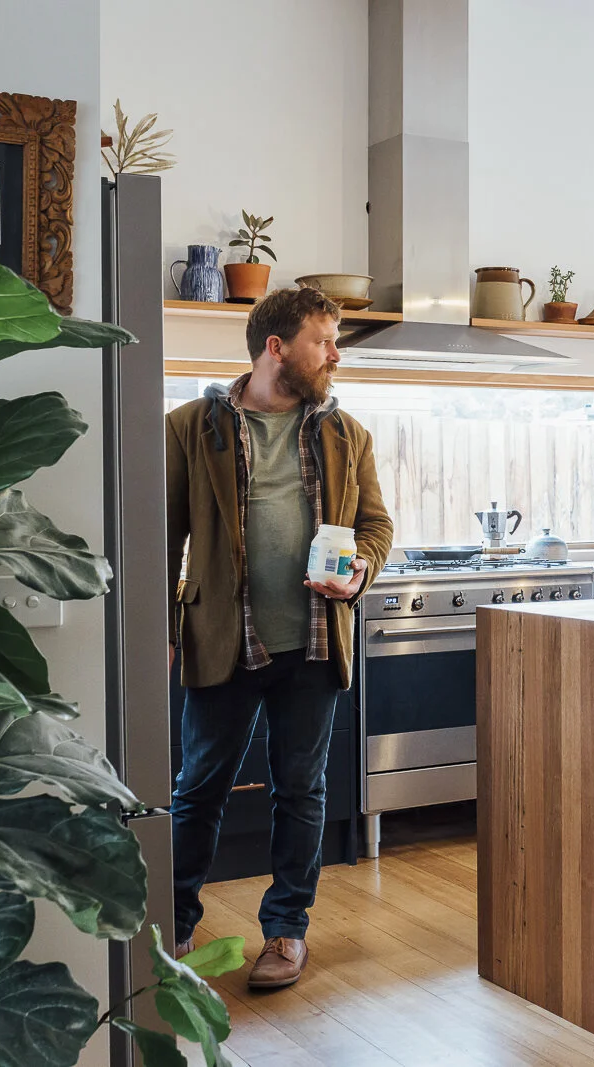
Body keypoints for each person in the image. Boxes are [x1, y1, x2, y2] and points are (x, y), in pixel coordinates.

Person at [165, 286, 393, 989]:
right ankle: (171, 923)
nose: (334, 356)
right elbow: (160, 535)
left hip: (314, 645)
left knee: (300, 791)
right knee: (198, 789)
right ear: (276, 347)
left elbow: (376, 526)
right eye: (323, 341)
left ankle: (286, 931)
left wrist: (362, 568)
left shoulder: (346, 433)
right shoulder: (189, 427)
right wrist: (158, 631)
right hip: (222, 638)